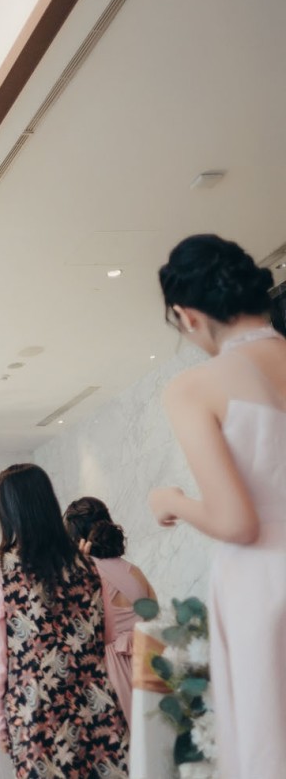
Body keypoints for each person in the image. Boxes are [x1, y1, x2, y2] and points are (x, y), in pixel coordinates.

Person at [148, 233, 286, 777]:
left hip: (266, 587)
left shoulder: (195, 387)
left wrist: (174, 500)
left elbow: (237, 522)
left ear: (188, 316)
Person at [0, 464, 127, 778]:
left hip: (36, 712)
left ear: (7, 510)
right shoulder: (87, 564)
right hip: (95, 707)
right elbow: (108, 633)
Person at [63, 497, 156, 724]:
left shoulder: (84, 577)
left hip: (111, 673)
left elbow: (74, 632)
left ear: (75, 537)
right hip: (149, 664)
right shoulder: (135, 571)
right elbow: (155, 619)